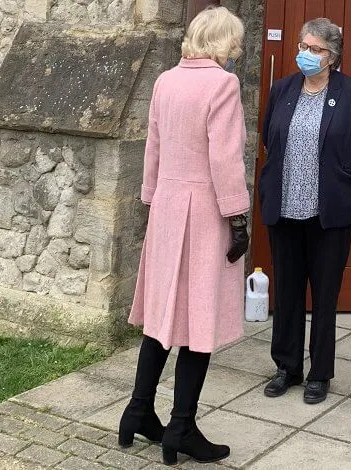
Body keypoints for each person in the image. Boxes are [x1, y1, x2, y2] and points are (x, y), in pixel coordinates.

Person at [118, 6, 250, 466]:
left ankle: (136, 411)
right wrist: (238, 217)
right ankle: (180, 427)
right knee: (198, 319)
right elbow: (226, 159)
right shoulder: (223, 84)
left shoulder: (165, 81)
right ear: (220, 42)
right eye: (234, 43)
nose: (237, 52)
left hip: (168, 206)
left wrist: (151, 199)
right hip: (204, 209)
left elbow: (152, 147)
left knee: (162, 315)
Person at [259, 18, 351, 404]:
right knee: (288, 290)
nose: (306, 55)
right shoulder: (282, 90)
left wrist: (342, 177)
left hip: (329, 212)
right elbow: (268, 137)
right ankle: (286, 367)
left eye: (315, 49)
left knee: (325, 295)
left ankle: (319, 374)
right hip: (285, 207)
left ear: (333, 56)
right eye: (303, 46)